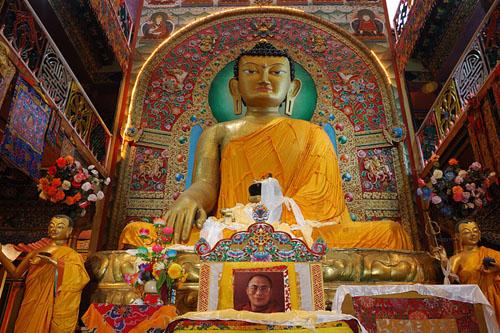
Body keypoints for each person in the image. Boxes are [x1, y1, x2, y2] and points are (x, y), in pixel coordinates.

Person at [122, 41, 412, 250]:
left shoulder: (313, 133)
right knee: (138, 233)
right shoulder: (220, 132)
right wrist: (190, 200)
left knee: (389, 233)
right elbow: (207, 184)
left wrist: (275, 220)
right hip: (232, 229)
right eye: (251, 72)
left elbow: (322, 199)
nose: (263, 79)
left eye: (276, 72)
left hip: (300, 230)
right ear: (235, 87)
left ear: (293, 88)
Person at [0, 215, 90, 333]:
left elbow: (79, 279)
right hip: (31, 301)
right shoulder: (35, 252)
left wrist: (54, 263)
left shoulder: (71, 255)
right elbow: (15, 273)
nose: (54, 229)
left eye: (60, 226)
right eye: (52, 226)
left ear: (69, 231)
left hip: (51, 306)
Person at [450, 219, 500, 324]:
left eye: (475, 231)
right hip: (472, 302)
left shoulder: (493, 254)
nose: (472, 234)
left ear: (480, 233)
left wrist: (497, 268)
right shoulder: (457, 258)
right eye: (467, 232)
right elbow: (450, 281)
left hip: (495, 300)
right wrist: (444, 262)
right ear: (458, 236)